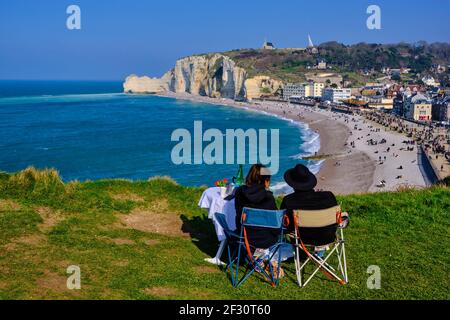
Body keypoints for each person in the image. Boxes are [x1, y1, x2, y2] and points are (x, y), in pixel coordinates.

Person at [280, 164, 338, 247]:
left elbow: (285, 224)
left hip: (302, 239)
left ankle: (301, 253)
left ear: (292, 184)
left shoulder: (289, 201)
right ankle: (319, 253)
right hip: (327, 237)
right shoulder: (329, 196)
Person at [234, 164, 278, 249]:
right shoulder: (268, 197)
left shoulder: (239, 191)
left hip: (243, 236)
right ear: (266, 180)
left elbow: (238, 212)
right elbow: (274, 222)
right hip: (265, 240)